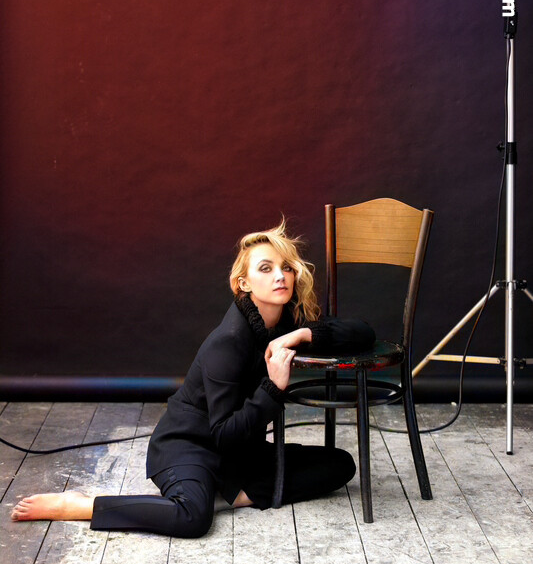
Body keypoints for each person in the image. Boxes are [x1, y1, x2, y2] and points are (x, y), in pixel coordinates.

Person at [11, 220, 375, 537]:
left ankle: (227, 495)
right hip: (189, 446)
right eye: (265, 269)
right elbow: (223, 434)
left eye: (286, 268)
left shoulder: (284, 321)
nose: (280, 276)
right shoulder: (228, 342)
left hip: (239, 454)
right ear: (243, 283)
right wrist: (272, 388)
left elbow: (363, 332)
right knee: (192, 518)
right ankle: (83, 505)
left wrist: (303, 334)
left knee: (339, 465)